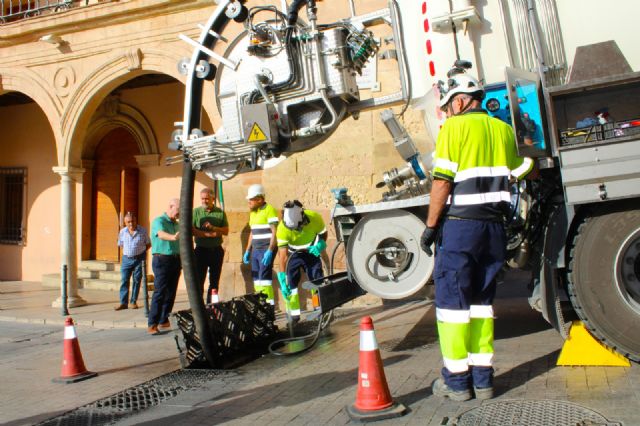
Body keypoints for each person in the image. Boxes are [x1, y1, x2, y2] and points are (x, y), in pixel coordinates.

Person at [421, 67, 534, 401]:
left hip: (459, 228)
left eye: (449, 103)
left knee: (452, 305)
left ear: (461, 101)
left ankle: (457, 384)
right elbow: (526, 168)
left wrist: (430, 226)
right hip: (493, 229)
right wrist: (526, 139)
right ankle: (483, 380)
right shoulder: (501, 129)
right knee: (482, 303)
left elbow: (442, 181)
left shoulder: (453, 128)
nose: (448, 110)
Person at [276, 200, 327, 322]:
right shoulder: (282, 228)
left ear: (303, 217)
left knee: (316, 281)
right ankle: (294, 315)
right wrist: (283, 278)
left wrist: (320, 244)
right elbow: (282, 256)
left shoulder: (314, 217)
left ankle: (318, 309)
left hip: (311, 251)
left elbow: (323, 233)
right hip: (292, 254)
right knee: (291, 285)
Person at [148, 198, 182, 335]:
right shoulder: (159, 221)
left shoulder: (177, 224)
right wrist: (173, 237)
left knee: (171, 291)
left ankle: (164, 319)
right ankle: (152, 323)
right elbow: (161, 234)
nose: (178, 215)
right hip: (162, 259)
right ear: (171, 206)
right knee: (160, 291)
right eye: (178, 211)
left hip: (175, 259)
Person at [242, 184, 279, 305]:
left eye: (251, 199)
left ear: (259, 199)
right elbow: (252, 233)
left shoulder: (269, 209)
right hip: (255, 250)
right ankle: (261, 305)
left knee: (265, 279)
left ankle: (269, 306)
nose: (249, 202)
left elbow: (275, 231)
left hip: (266, 249)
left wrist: (270, 250)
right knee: (256, 279)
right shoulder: (253, 212)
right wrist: (248, 250)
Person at [192, 187, 229, 304]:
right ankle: (199, 307)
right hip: (200, 251)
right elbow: (191, 230)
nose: (204, 201)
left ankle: (212, 306)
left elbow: (226, 230)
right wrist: (208, 234)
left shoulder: (220, 213)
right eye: (202, 199)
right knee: (199, 281)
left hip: (216, 251)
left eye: (207, 199)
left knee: (214, 282)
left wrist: (214, 228)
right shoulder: (196, 212)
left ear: (213, 199)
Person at [115, 212, 151, 311]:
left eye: (133, 221)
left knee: (136, 280)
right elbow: (121, 244)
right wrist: (128, 253)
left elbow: (148, 244)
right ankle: (123, 303)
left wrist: (140, 253)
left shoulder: (142, 231)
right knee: (124, 280)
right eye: (128, 222)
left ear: (136, 221)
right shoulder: (122, 232)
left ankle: (133, 301)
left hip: (139, 259)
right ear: (125, 223)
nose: (131, 224)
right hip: (126, 259)